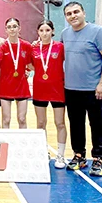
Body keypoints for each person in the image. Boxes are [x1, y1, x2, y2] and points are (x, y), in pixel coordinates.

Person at [61, 2, 102, 176]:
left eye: (76, 12)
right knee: (75, 124)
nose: (73, 16)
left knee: (97, 124)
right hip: (71, 89)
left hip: (93, 89)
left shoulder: (98, 32)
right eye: (69, 14)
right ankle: (79, 156)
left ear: (83, 13)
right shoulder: (65, 34)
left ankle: (98, 158)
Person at [29, 20, 67, 169]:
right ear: (38, 32)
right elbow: (30, 65)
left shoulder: (60, 47)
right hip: (40, 90)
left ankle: (61, 155)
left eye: (47, 30)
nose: (44, 33)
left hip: (57, 90)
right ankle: (43, 152)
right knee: (40, 123)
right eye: (41, 30)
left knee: (60, 123)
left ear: (53, 31)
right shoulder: (33, 48)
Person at [0, 18, 33, 129]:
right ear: (6, 30)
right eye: (9, 27)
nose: (12, 29)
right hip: (6, 86)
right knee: (6, 119)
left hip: (21, 86)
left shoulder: (26, 45)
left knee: (22, 119)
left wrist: (28, 71)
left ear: (19, 28)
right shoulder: (2, 46)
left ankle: (22, 140)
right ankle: (6, 141)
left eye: (14, 26)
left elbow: (31, 65)